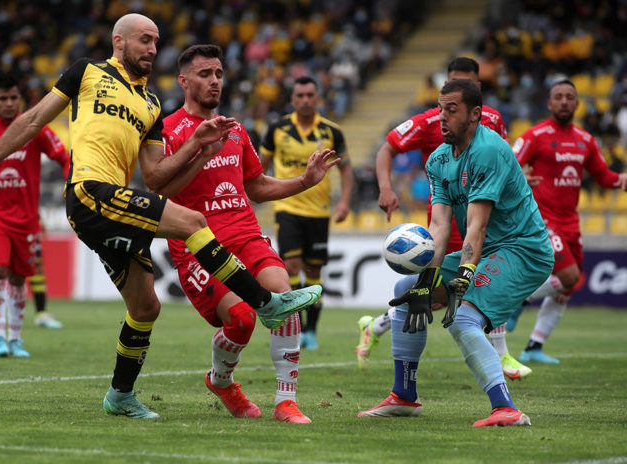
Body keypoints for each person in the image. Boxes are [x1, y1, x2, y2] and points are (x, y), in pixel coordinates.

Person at [0, 14, 321, 420]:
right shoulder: (86, 72)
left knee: (146, 307)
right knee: (194, 223)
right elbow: (33, 120)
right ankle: (265, 302)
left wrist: (197, 143)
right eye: (145, 40)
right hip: (90, 191)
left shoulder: (151, 105)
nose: (152, 49)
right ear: (119, 41)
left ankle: (120, 395)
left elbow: (158, 177)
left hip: (117, 205)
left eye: (156, 42)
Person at [156, 44, 338, 423]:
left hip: (246, 234)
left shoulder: (235, 129)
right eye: (205, 74)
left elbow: (255, 186)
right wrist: (200, 153)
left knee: (285, 300)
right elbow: (163, 193)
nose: (215, 81)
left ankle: (286, 402)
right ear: (184, 80)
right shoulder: (168, 130)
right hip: (199, 245)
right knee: (241, 319)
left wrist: (304, 181)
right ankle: (221, 381)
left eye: (219, 74)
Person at [358, 79, 554, 426]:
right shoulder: (438, 159)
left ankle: (505, 408)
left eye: (452, 109)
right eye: (439, 108)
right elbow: (439, 227)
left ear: (475, 114)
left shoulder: (489, 150)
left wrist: (465, 273)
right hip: (491, 247)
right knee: (407, 291)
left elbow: (476, 225)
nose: (441, 118)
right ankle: (404, 396)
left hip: (524, 250)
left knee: (465, 318)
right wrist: (428, 279)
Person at [508, 78, 627, 363]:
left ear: (576, 103)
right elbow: (507, 164)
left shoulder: (585, 140)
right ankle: (518, 299)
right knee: (570, 276)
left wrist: (621, 179)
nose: (563, 101)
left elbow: (603, 176)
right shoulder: (535, 135)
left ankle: (534, 347)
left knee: (569, 286)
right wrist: (519, 175)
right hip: (541, 220)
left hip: (571, 222)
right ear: (549, 103)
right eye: (558, 97)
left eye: (569, 97)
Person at [0, 74, 70, 357]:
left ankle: (15, 339)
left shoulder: (34, 129)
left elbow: (63, 156)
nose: (9, 104)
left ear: (19, 100)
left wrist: (71, 183)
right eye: (3, 98)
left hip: (27, 219)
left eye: (14, 98)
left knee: (21, 278)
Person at [260, 76, 354, 350]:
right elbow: (259, 166)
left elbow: (346, 169)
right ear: (292, 99)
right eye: (299, 95)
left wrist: (345, 201)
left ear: (317, 98)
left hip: (319, 212)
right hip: (287, 207)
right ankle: (293, 328)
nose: (304, 100)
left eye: (309, 95)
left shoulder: (331, 131)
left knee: (314, 272)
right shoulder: (277, 128)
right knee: (290, 269)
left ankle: (310, 332)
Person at [0, 212, 64, 329]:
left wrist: (37, 217)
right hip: (2, 221)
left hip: (26, 223)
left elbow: (29, 197)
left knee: (36, 267)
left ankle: (41, 313)